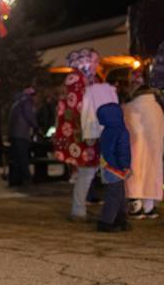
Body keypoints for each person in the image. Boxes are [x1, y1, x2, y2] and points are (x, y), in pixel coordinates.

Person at [52, 69, 101, 222]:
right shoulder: (85, 99)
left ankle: (79, 209)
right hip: (86, 145)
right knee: (86, 176)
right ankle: (78, 210)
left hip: (74, 145)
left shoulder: (65, 99)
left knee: (83, 176)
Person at [123, 86, 164, 219]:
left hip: (136, 147)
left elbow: (130, 128)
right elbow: (163, 128)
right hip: (155, 147)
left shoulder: (131, 107)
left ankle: (136, 207)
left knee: (136, 175)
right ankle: (150, 208)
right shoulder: (156, 107)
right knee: (152, 176)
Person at [96, 103, 132, 232]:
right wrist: (125, 166)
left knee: (119, 193)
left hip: (107, 165)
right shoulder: (121, 131)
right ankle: (106, 221)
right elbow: (123, 150)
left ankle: (120, 218)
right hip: (117, 167)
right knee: (115, 195)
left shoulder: (106, 130)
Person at [7, 87, 39, 187]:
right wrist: (36, 126)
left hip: (14, 134)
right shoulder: (27, 102)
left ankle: (16, 179)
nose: (36, 98)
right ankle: (27, 179)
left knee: (17, 158)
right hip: (21, 134)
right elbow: (29, 116)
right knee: (23, 158)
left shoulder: (17, 103)